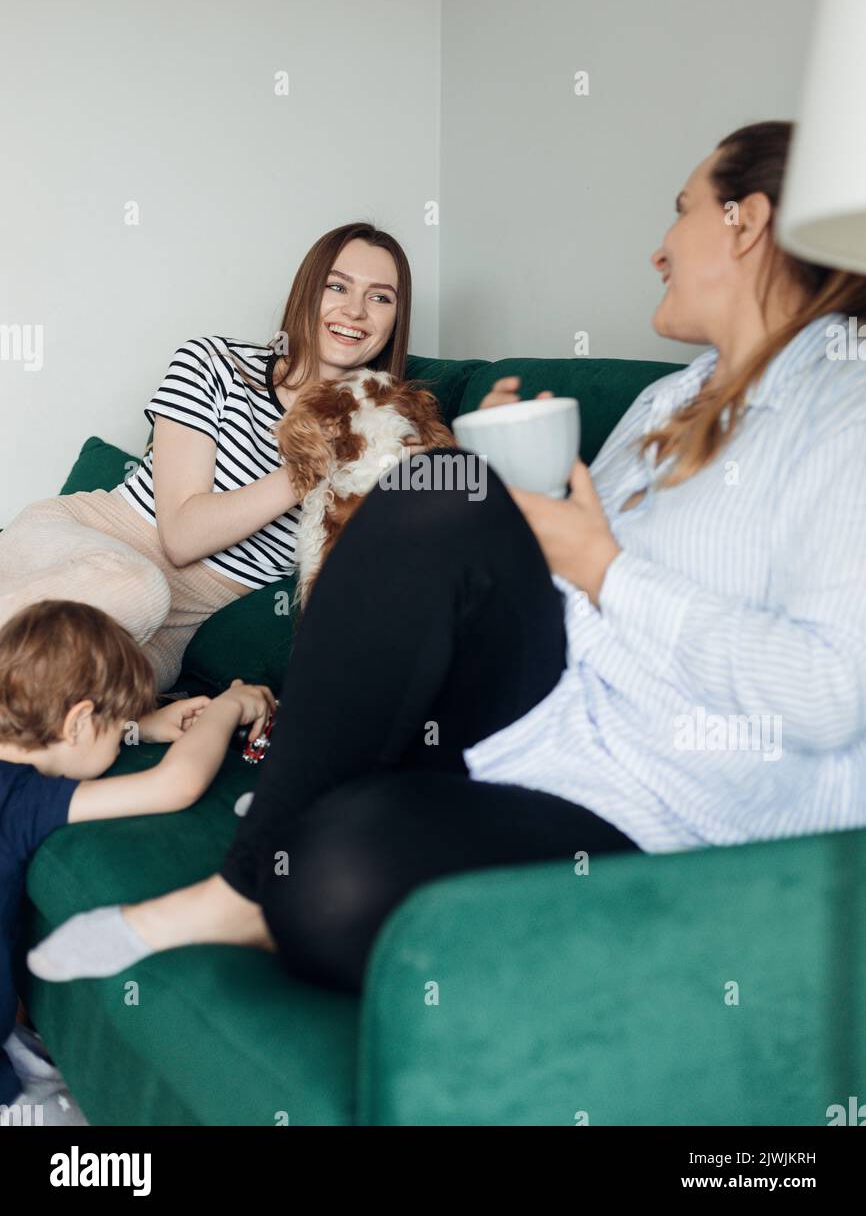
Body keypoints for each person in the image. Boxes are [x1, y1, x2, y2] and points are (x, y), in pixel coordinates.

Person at [28, 120, 866, 996]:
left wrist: (601, 567)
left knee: (333, 888)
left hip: (678, 802)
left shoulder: (845, 408)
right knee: (443, 490)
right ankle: (245, 881)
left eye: (681, 211)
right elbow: (545, 569)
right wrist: (507, 495)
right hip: (550, 728)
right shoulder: (670, 397)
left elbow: (826, 691)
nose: (659, 248)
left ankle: (266, 870)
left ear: (748, 221)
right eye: (339, 287)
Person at [0, 223, 411, 692]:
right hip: (77, 547)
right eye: (336, 286)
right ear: (307, 292)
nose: (354, 311)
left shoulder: (383, 436)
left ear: (396, 318)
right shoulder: (214, 363)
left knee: (102, 692)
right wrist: (315, 464)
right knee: (136, 588)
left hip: (164, 631)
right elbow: (181, 536)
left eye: (380, 298)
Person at [0, 597, 274, 1115]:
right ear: (79, 721)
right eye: (117, 723)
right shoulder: (19, 799)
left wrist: (138, 727)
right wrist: (226, 708)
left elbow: (69, 739)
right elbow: (177, 784)